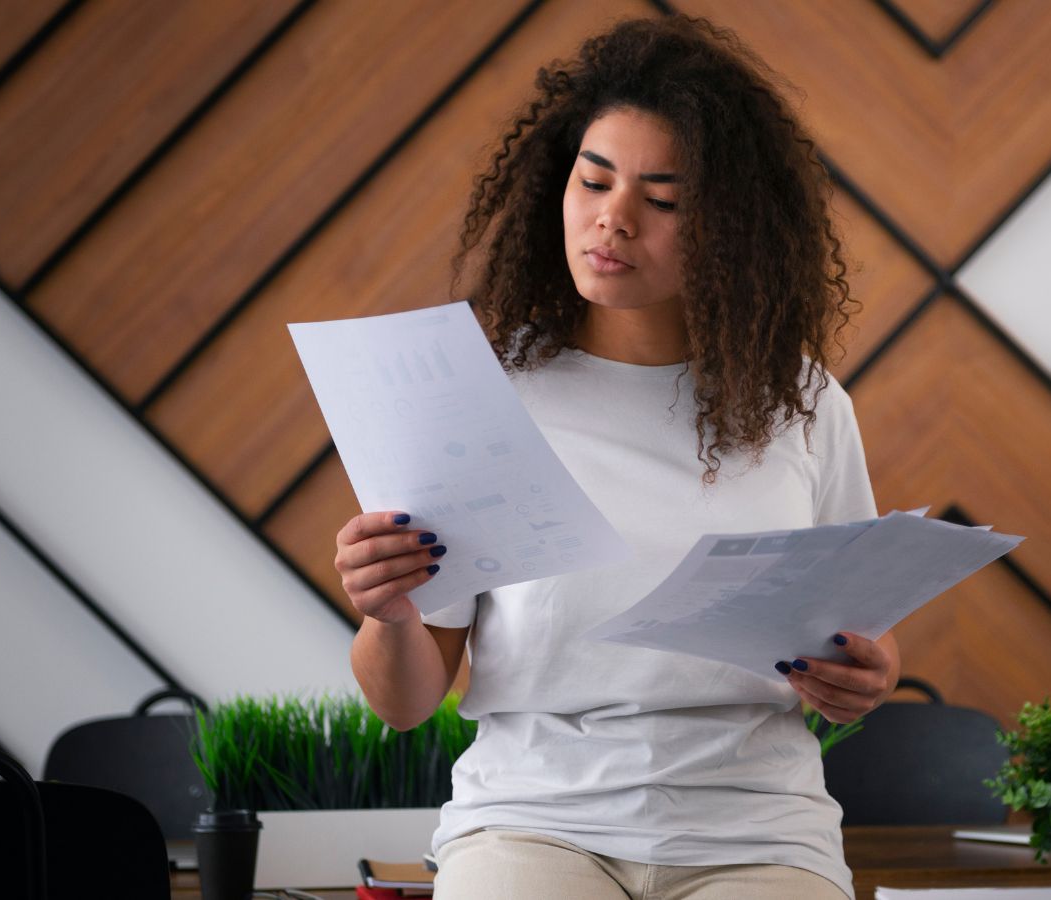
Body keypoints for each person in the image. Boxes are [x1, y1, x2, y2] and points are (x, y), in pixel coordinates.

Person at [336, 15, 898, 900]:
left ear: (730, 229)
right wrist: (390, 610)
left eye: (663, 200)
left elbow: (863, 637)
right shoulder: (486, 400)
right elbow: (405, 703)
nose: (614, 219)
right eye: (593, 180)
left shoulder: (805, 404)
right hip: (533, 821)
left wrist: (866, 674)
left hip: (755, 827)